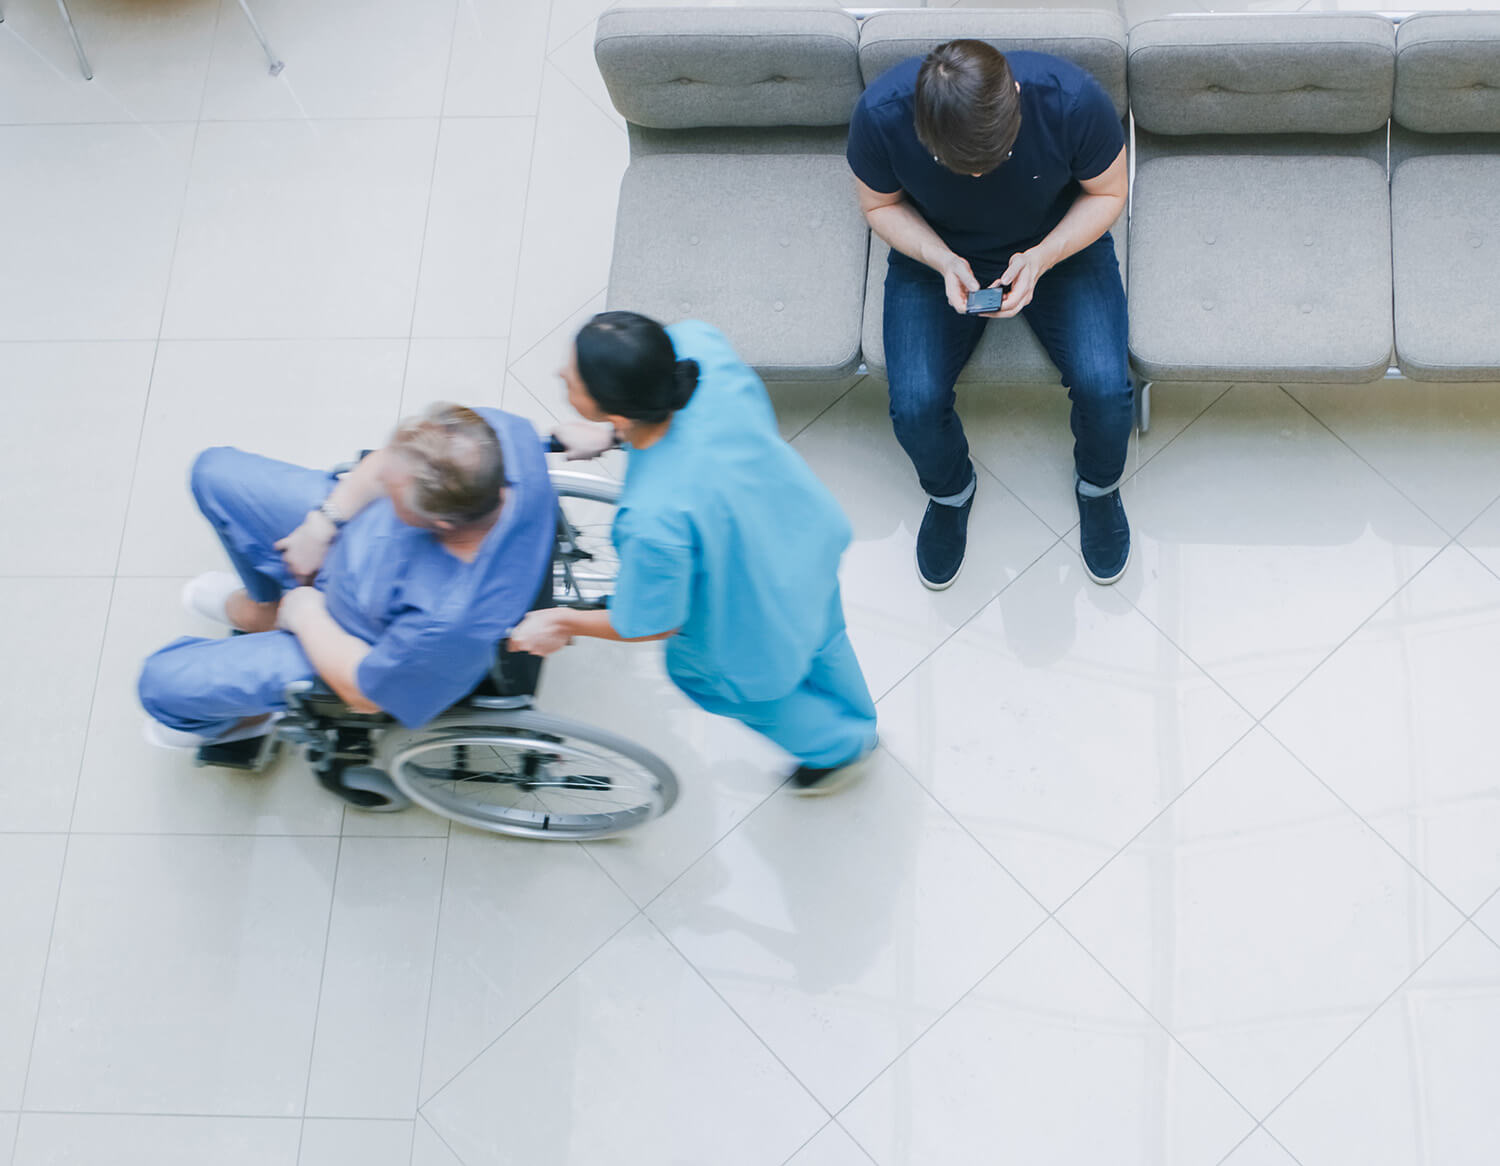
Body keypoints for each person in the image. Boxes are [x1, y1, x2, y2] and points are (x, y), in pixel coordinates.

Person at [508, 312, 878, 795]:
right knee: (823, 638)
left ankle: (839, 746)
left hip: (750, 616)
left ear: (617, 410)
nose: (561, 374)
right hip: (801, 541)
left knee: (754, 692)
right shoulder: (696, 347)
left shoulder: (653, 518)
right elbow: (678, 420)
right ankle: (859, 715)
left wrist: (562, 621)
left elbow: (649, 621)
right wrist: (613, 435)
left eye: (573, 377)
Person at [848, 39, 1132, 588]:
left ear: (1018, 100)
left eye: (993, 161)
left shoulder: (1073, 102)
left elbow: (1109, 193)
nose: (978, 178)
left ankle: (1098, 487)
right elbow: (878, 204)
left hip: (1058, 241)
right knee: (914, 406)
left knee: (1105, 388)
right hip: (938, 250)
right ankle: (951, 493)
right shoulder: (881, 116)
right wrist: (939, 258)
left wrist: (1043, 256)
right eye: (957, 167)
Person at [138, 404, 556, 751]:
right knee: (212, 473)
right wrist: (322, 524)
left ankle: (248, 717)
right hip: (351, 544)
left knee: (159, 685)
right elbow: (381, 467)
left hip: (350, 636)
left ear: (441, 523)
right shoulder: (502, 440)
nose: (381, 479)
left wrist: (304, 615)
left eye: (392, 491)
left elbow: (366, 695)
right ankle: (263, 609)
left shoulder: (445, 622)